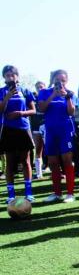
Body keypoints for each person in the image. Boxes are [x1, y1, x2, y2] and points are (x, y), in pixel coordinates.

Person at [38, 70, 76, 203]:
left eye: (63, 80)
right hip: (50, 131)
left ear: (67, 81)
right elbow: (41, 108)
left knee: (67, 160)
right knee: (53, 162)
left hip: (65, 130)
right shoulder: (44, 92)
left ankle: (70, 193)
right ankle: (57, 193)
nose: (60, 82)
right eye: (58, 80)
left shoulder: (70, 93)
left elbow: (71, 112)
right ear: (53, 79)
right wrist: (53, 94)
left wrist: (67, 97)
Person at [0, 65, 37, 203]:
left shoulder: (25, 91)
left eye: (13, 75)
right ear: (4, 77)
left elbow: (33, 110)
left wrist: (21, 113)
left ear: (17, 76)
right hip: (8, 129)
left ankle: (29, 193)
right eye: (8, 75)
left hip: (23, 128)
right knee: (9, 162)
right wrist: (7, 97)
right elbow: (0, 110)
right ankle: (11, 194)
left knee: (25, 160)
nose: (11, 77)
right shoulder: (1, 91)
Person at [31, 81, 46, 179]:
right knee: (38, 149)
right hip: (35, 126)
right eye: (37, 87)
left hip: (46, 125)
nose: (39, 88)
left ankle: (58, 171)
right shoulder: (33, 97)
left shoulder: (47, 96)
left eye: (41, 86)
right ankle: (39, 173)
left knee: (51, 148)